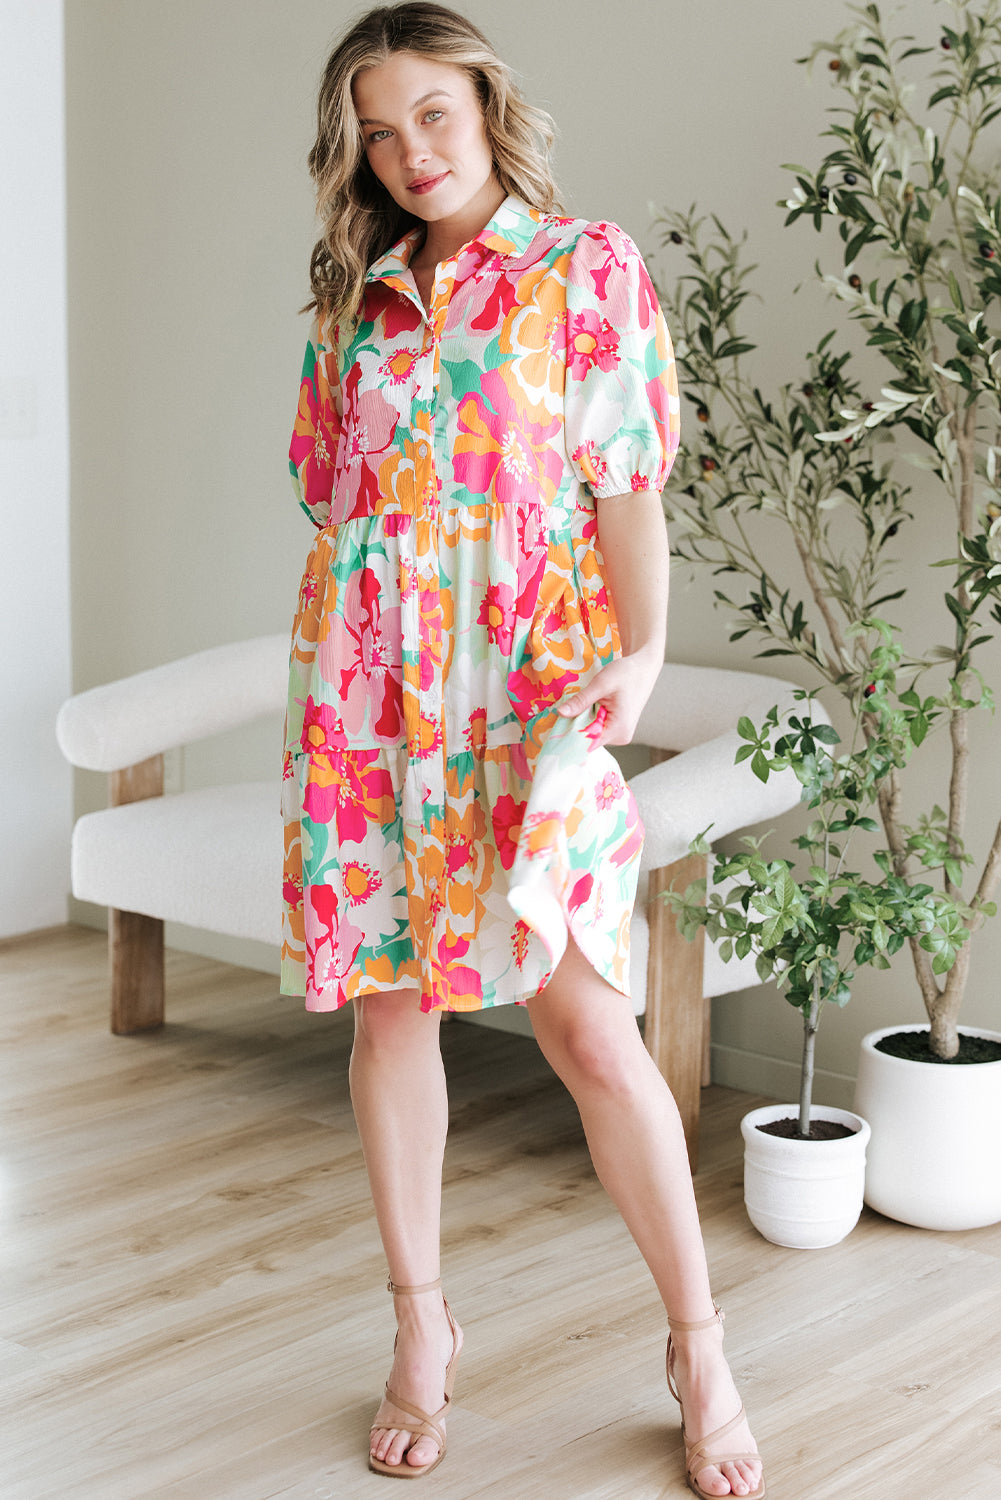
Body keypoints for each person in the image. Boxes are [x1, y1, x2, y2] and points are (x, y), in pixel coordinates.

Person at [281, 5, 765, 1495]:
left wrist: (641, 652)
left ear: (487, 107)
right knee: (389, 1019)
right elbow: (333, 502)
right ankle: (420, 1326)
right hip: (371, 704)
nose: (409, 153)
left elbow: (627, 487)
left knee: (587, 1030)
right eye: (377, 132)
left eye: (431, 114)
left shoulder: (583, 267)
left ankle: (698, 1344)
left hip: (531, 693)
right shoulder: (354, 305)